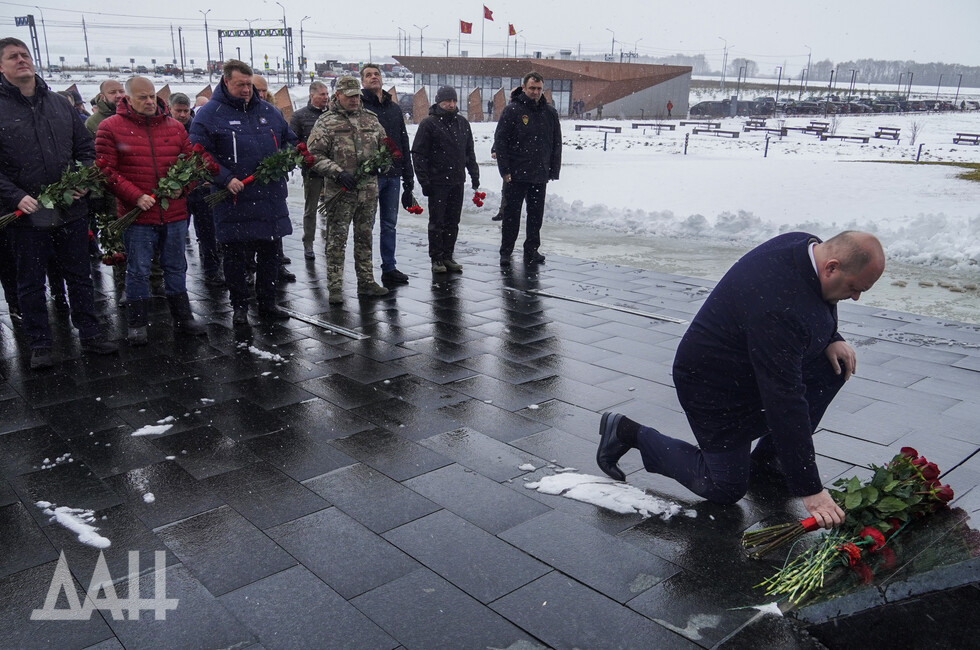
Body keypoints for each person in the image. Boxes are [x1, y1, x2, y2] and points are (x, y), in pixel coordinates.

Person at [596, 231, 886, 530]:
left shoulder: (806, 245)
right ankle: (626, 432)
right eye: (853, 288)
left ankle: (768, 460)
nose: (855, 297)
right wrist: (810, 489)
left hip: (750, 365)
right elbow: (784, 400)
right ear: (832, 266)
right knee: (724, 487)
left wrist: (830, 338)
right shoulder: (780, 306)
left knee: (833, 366)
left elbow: (813, 298)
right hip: (713, 386)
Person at [0, 37, 117, 369]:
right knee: (30, 281)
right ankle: (40, 342)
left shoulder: (59, 103)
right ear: (1, 66)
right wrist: (16, 197)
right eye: (13, 57)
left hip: (70, 209)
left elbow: (85, 148)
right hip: (26, 213)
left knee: (79, 274)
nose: (21, 60)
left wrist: (81, 180)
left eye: (25, 55)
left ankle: (91, 334)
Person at [96, 76, 207, 345]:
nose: (148, 102)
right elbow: (105, 170)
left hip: (174, 213)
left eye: (151, 96)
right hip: (139, 215)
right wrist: (135, 197)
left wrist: (184, 187)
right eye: (141, 97)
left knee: (175, 266)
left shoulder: (174, 128)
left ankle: (183, 317)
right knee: (138, 269)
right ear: (128, 98)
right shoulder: (110, 127)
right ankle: (137, 323)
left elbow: (193, 165)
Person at [189, 59, 296, 325]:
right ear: (226, 82)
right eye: (241, 84)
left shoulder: (270, 112)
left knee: (270, 254)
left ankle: (268, 303)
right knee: (235, 257)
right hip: (233, 199)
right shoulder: (210, 114)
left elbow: (290, 141)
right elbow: (198, 154)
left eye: (250, 85)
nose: (247, 90)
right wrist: (224, 178)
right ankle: (239, 307)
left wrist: (286, 159)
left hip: (269, 197)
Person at [306, 75, 390, 304]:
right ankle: (334, 286)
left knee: (364, 237)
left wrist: (384, 162)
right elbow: (313, 155)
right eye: (349, 96)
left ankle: (366, 282)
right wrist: (337, 172)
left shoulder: (371, 119)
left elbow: (385, 146)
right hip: (340, 192)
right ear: (338, 96)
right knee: (336, 239)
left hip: (368, 192)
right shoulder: (326, 122)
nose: (354, 100)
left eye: (357, 96)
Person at [493, 71, 562, 266]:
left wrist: (553, 170)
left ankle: (532, 250)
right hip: (515, 175)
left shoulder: (549, 112)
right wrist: (505, 171)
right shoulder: (512, 110)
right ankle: (506, 252)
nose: (535, 92)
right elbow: (501, 142)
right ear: (524, 88)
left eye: (539, 89)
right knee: (511, 216)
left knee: (535, 216)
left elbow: (556, 142)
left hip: (539, 174)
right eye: (532, 88)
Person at [411, 85, 479, 274]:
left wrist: (474, 174)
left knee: (452, 221)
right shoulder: (429, 124)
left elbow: (469, 152)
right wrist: (424, 181)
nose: (451, 104)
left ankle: (448, 256)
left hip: (457, 181)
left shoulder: (462, 123)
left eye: (453, 101)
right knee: (437, 222)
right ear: (438, 102)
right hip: (437, 182)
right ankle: (437, 258)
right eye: (447, 101)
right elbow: (418, 154)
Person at [360, 63, 415, 285]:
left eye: (376, 74)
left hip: (392, 175)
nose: (374, 77)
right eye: (368, 75)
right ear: (362, 82)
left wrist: (408, 177)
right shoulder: (360, 107)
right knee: (367, 225)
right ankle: (365, 271)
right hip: (371, 176)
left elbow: (403, 140)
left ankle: (389, 267)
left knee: (389, 223)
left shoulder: (393, 108)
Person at [289, 80, 329, 261]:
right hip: (312, 170)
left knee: (333, 208)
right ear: (312, 95)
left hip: (332, 171)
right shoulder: (299, 116)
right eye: (322, 95)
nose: (326, 98)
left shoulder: (332, 115)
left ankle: (332, 242)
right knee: (311, 208)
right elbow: (293, 142)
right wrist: (302, 157)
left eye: (327, 94)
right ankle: (308, 243)